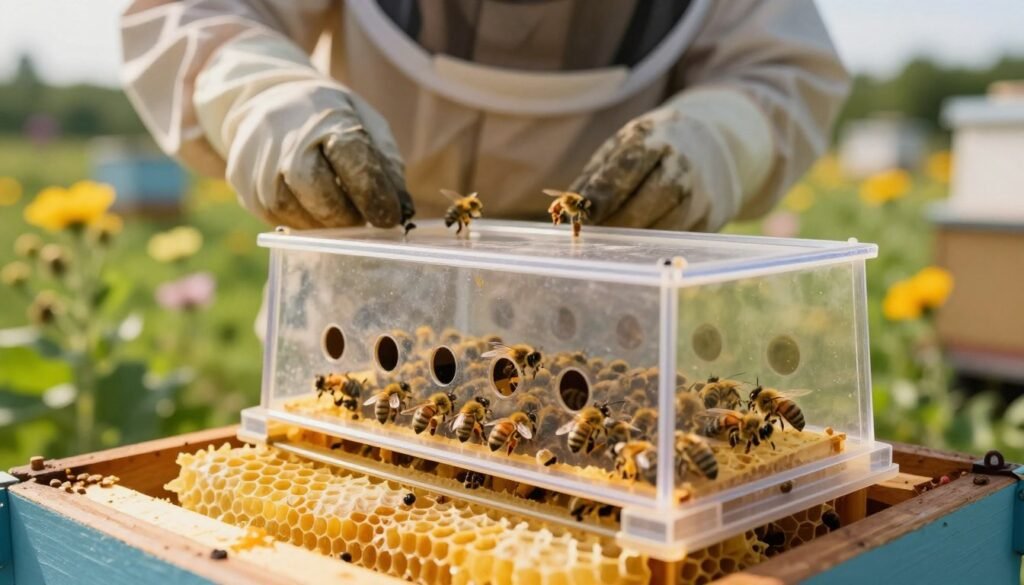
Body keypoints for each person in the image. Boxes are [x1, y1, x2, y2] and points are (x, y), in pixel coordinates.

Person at [121, 0, 848, 233]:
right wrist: (263, 97)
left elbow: (785, 70)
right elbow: (191, 12)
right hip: (355, 327)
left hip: (620, 347)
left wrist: (719, 138)